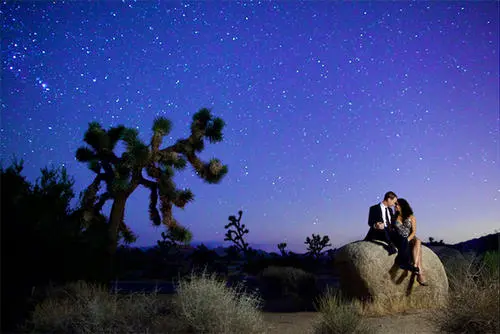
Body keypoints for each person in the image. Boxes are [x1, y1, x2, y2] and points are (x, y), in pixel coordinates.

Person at [364, 191, 417, 272]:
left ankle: (404, 263)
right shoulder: (374, 208)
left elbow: (393, 224)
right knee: (383, 229)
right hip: (378, 231)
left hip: (389, 232)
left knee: (403, 238)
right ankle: (390, 246)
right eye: (394, 202)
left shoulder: (390, 210)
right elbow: (370, 222)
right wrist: (376, 225)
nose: (394, 204)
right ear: (388, 199)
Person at [393, 198, 428, 286]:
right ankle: (419, 272)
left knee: (418, 241)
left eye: (396, 204)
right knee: (419, 250)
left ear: (402, 205)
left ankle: (415, 266)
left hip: (410, 237)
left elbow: (413, 232)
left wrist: (407, 240)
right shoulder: (394, 217)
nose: (395, 206)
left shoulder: (411, 216)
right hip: (400, 239)